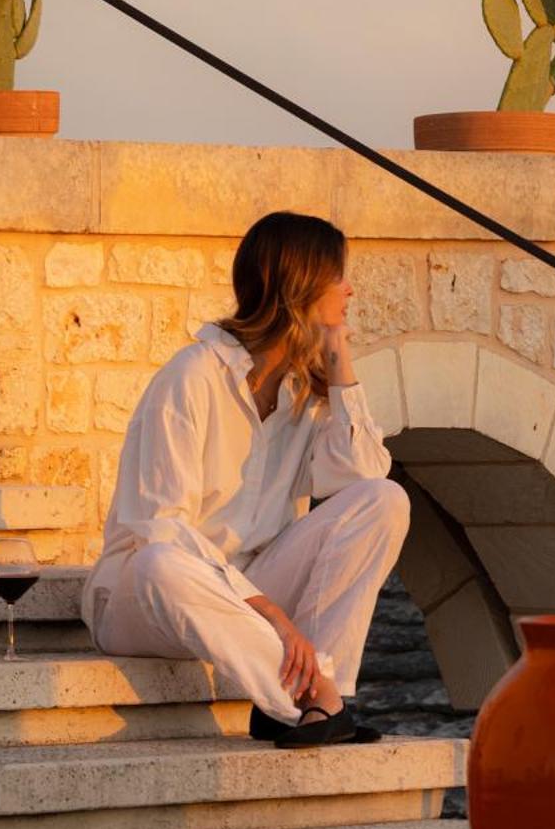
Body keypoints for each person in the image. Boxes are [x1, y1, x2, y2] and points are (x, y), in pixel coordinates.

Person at [81, 210, 410, 748]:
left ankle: (321, 706)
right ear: (299, 286)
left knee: (385, 499)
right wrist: (271, 613)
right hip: (148, 601)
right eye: (338, 276)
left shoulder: (307, 390)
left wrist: (339, 358)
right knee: (160, 562)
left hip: (250, 586)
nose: (350, 289)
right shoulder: (192, 376)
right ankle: (306, 694)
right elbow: (160, 528)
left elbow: (363, 473)